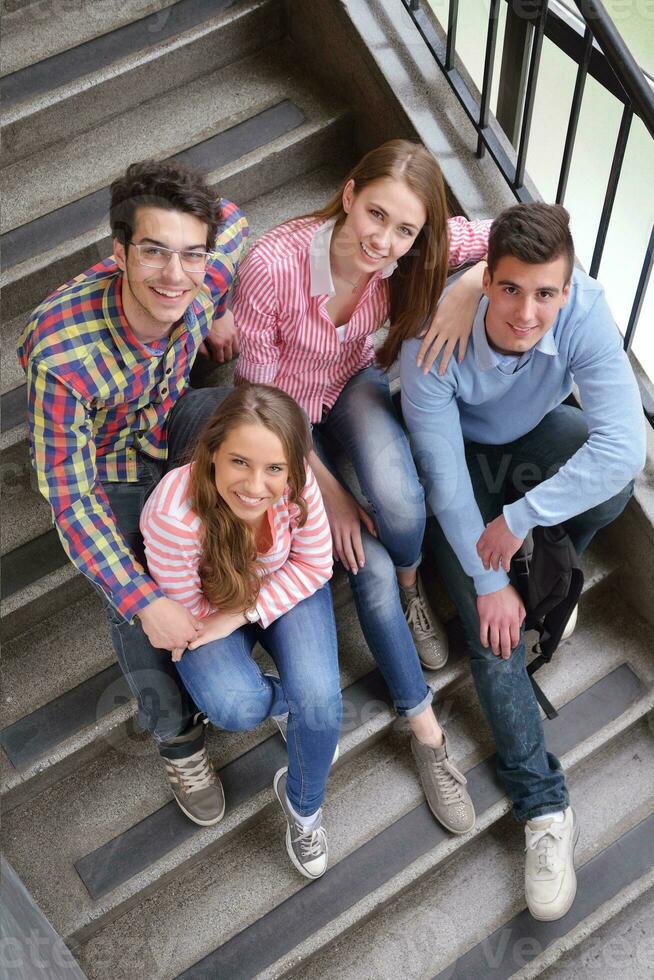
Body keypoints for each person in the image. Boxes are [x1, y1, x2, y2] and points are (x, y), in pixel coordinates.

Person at [232, 140, 489, 834]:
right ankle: (429, 733)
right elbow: (258, 400)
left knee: (402, 505)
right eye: (376, 215)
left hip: (352, 386)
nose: (385, 241)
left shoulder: (415, 250)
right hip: (281, 419)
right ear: (348, 195)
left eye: (404, 230)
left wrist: (469, 282)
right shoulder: (273, 269)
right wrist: (325, 489)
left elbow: (534, 231)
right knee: (362, 564)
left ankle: (413, 589)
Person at [400, 202, 646, 920]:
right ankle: (545, 805)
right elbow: (444, 480)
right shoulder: (434, 341)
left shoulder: (584, 307)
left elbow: (623, 448)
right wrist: (487, 581)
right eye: (510, 289)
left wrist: (520, 519)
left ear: (567, 290)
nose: (526, 312)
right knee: (493, 631)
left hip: (530, 447)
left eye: (546, 294)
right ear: (485, 280)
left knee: (611, 474)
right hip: (457, 465)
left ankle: (552, 588)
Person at [18, 159, 248, 826]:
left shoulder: (204, 278)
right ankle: (176, 736)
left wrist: (218, 313)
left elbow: (231, 220)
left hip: (171, 417)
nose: (175, 276)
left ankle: (249, 613)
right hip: (108, 462)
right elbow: (68, 494)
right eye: (153, 252)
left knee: (243, 429)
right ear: (119, 252)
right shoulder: (63, 355)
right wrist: (146, 600)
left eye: (189, 255)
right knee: (128, 584)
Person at [140, 384, 341, 879]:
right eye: (239, 463)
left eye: (274, 468)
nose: (256, 485)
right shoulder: (174, 517)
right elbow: (191, 620)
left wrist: (244, 611)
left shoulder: (295, 484)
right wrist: (231, 614)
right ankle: (293, 709)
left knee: (321, 701)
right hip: (208, 610)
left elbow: (315, 563)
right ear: (212, 454)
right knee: (235, 704)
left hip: (285, 582)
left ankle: (303, 808)